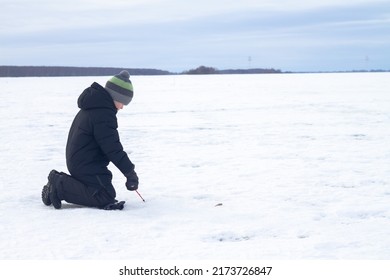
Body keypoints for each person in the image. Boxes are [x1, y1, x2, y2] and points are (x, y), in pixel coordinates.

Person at [41, 70, 139, 210]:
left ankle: (59, 182)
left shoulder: (94, 106)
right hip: (86, 164)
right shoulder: (103, 113)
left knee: (104, 189)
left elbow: (107, 145)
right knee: (105, 196)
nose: (122, 107)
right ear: (115, 96)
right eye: (122, 102)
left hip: (83, 161)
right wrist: (130, 172)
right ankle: (59, 185)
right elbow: (112, 147)